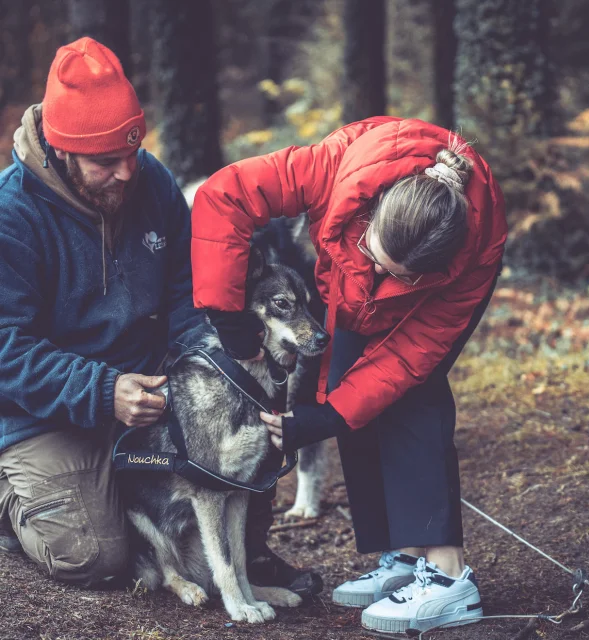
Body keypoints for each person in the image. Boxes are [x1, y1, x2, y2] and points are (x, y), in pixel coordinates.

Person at [0, 37, 320, 597]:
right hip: (45, 412)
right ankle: (18, 499)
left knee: (244, 446)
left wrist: (218, 363)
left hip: (154, 396)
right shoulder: (12, 215)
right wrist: (102, 389)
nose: (128, 172)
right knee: (96, 559)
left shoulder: (152, 182)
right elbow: (7, 346)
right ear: (62, 149)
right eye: (106, 161)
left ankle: (196, 534)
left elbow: (186, 295)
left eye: (133, 151)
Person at [191, 117, 507, 633]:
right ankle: (406, 558)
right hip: (352, 264)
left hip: (442, 294)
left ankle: (448, 578)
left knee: (413, 392)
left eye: (396, 277)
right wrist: (228, 314)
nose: (378, 278)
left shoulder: (468, 261)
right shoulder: (331, 167)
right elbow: (223, 196)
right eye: (372, 255)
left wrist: (326, 419)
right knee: (345, 374)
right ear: (373, 208)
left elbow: (405, 361)